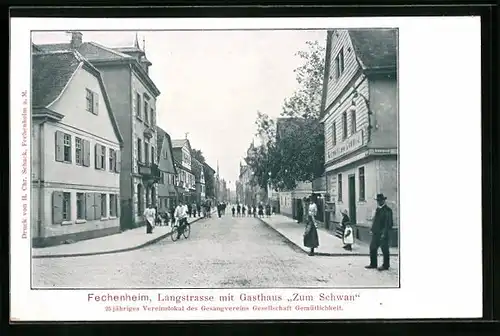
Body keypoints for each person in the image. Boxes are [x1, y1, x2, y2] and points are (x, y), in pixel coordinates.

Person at [365, 194, 393, 271]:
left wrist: (384, 233)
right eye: (378, 200)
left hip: (383, 234)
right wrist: (372, 229)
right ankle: (373, 264)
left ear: (384, 200)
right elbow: (375, 221)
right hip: (376, 233)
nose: (379, 202)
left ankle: (386, 265)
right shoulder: (378, 209)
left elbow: (388, 224)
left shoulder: (388, 210)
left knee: (385, 250)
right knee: (372, 248)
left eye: (380, 200)